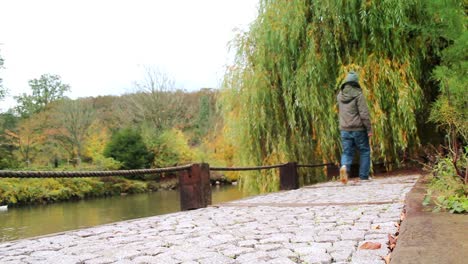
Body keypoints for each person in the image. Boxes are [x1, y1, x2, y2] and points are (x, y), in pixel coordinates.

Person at [337, 71, 372, 182]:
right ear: (355, 82)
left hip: (344, 129)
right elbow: (364, 113)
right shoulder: (358, 94)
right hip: (358, 129)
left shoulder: (340, 95)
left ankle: (344, 167)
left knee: (347, 152)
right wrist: (369, 129)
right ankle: (363, 176)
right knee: (364, 151)